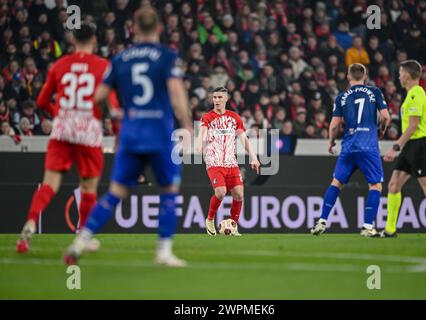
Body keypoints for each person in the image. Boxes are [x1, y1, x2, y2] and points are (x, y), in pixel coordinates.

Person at [63, 7, 193, 267]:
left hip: (131, 134)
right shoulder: (167, 56)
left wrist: (113, 114)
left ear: (133, 28)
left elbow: (99, 97)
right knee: (169, 190)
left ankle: (80, 241)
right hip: (159, 134)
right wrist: (187, 125)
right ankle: (163, 252)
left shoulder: (120, 59)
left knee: (114, 193)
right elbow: (177, 94)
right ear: (158, 28)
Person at [16, 23, 113, 253]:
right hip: (88, 130)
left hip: (62, 129)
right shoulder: (103, 66)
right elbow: (109, 104)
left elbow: (40, 102)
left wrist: (58, 112)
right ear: (94, 41)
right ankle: (84, 237)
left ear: (73, 41)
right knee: (88, 187)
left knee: (49, 184)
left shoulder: (60, 65)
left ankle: (29, 223)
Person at [310, 63, 390, 237]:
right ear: (365, 76)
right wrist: (382, 130)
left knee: (336, 182)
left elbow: (334, 125)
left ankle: (322, 221)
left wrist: (331, 142)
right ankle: (367, 226)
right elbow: (385, 117)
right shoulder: (375, 92)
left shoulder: (342, 97)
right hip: (368, 146)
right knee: (375, 185)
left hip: (348, 146)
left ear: (348, 76)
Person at [381, 60, 426, 237]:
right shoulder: (419, 94)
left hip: (417, 145)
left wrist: (395, 147)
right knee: (394, 185)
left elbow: (413, 126)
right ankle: (389, 230)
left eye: (401, 72)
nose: (398, 76)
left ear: (408, 75)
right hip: (415, 144)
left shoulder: (414, 96)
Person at [196, 86, 260, 236]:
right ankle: (210, 219)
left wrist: (254, 157)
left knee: (239, 194)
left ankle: (233, 225)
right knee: (221, 192)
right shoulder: (208, 117)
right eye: (214, 97)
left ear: (226, 98)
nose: (217, 100)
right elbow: (203, 131)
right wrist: (200, 142)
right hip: (214, 161)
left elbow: (244, 139)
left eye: (220, 97)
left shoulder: (234, 117)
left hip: (231, 162)